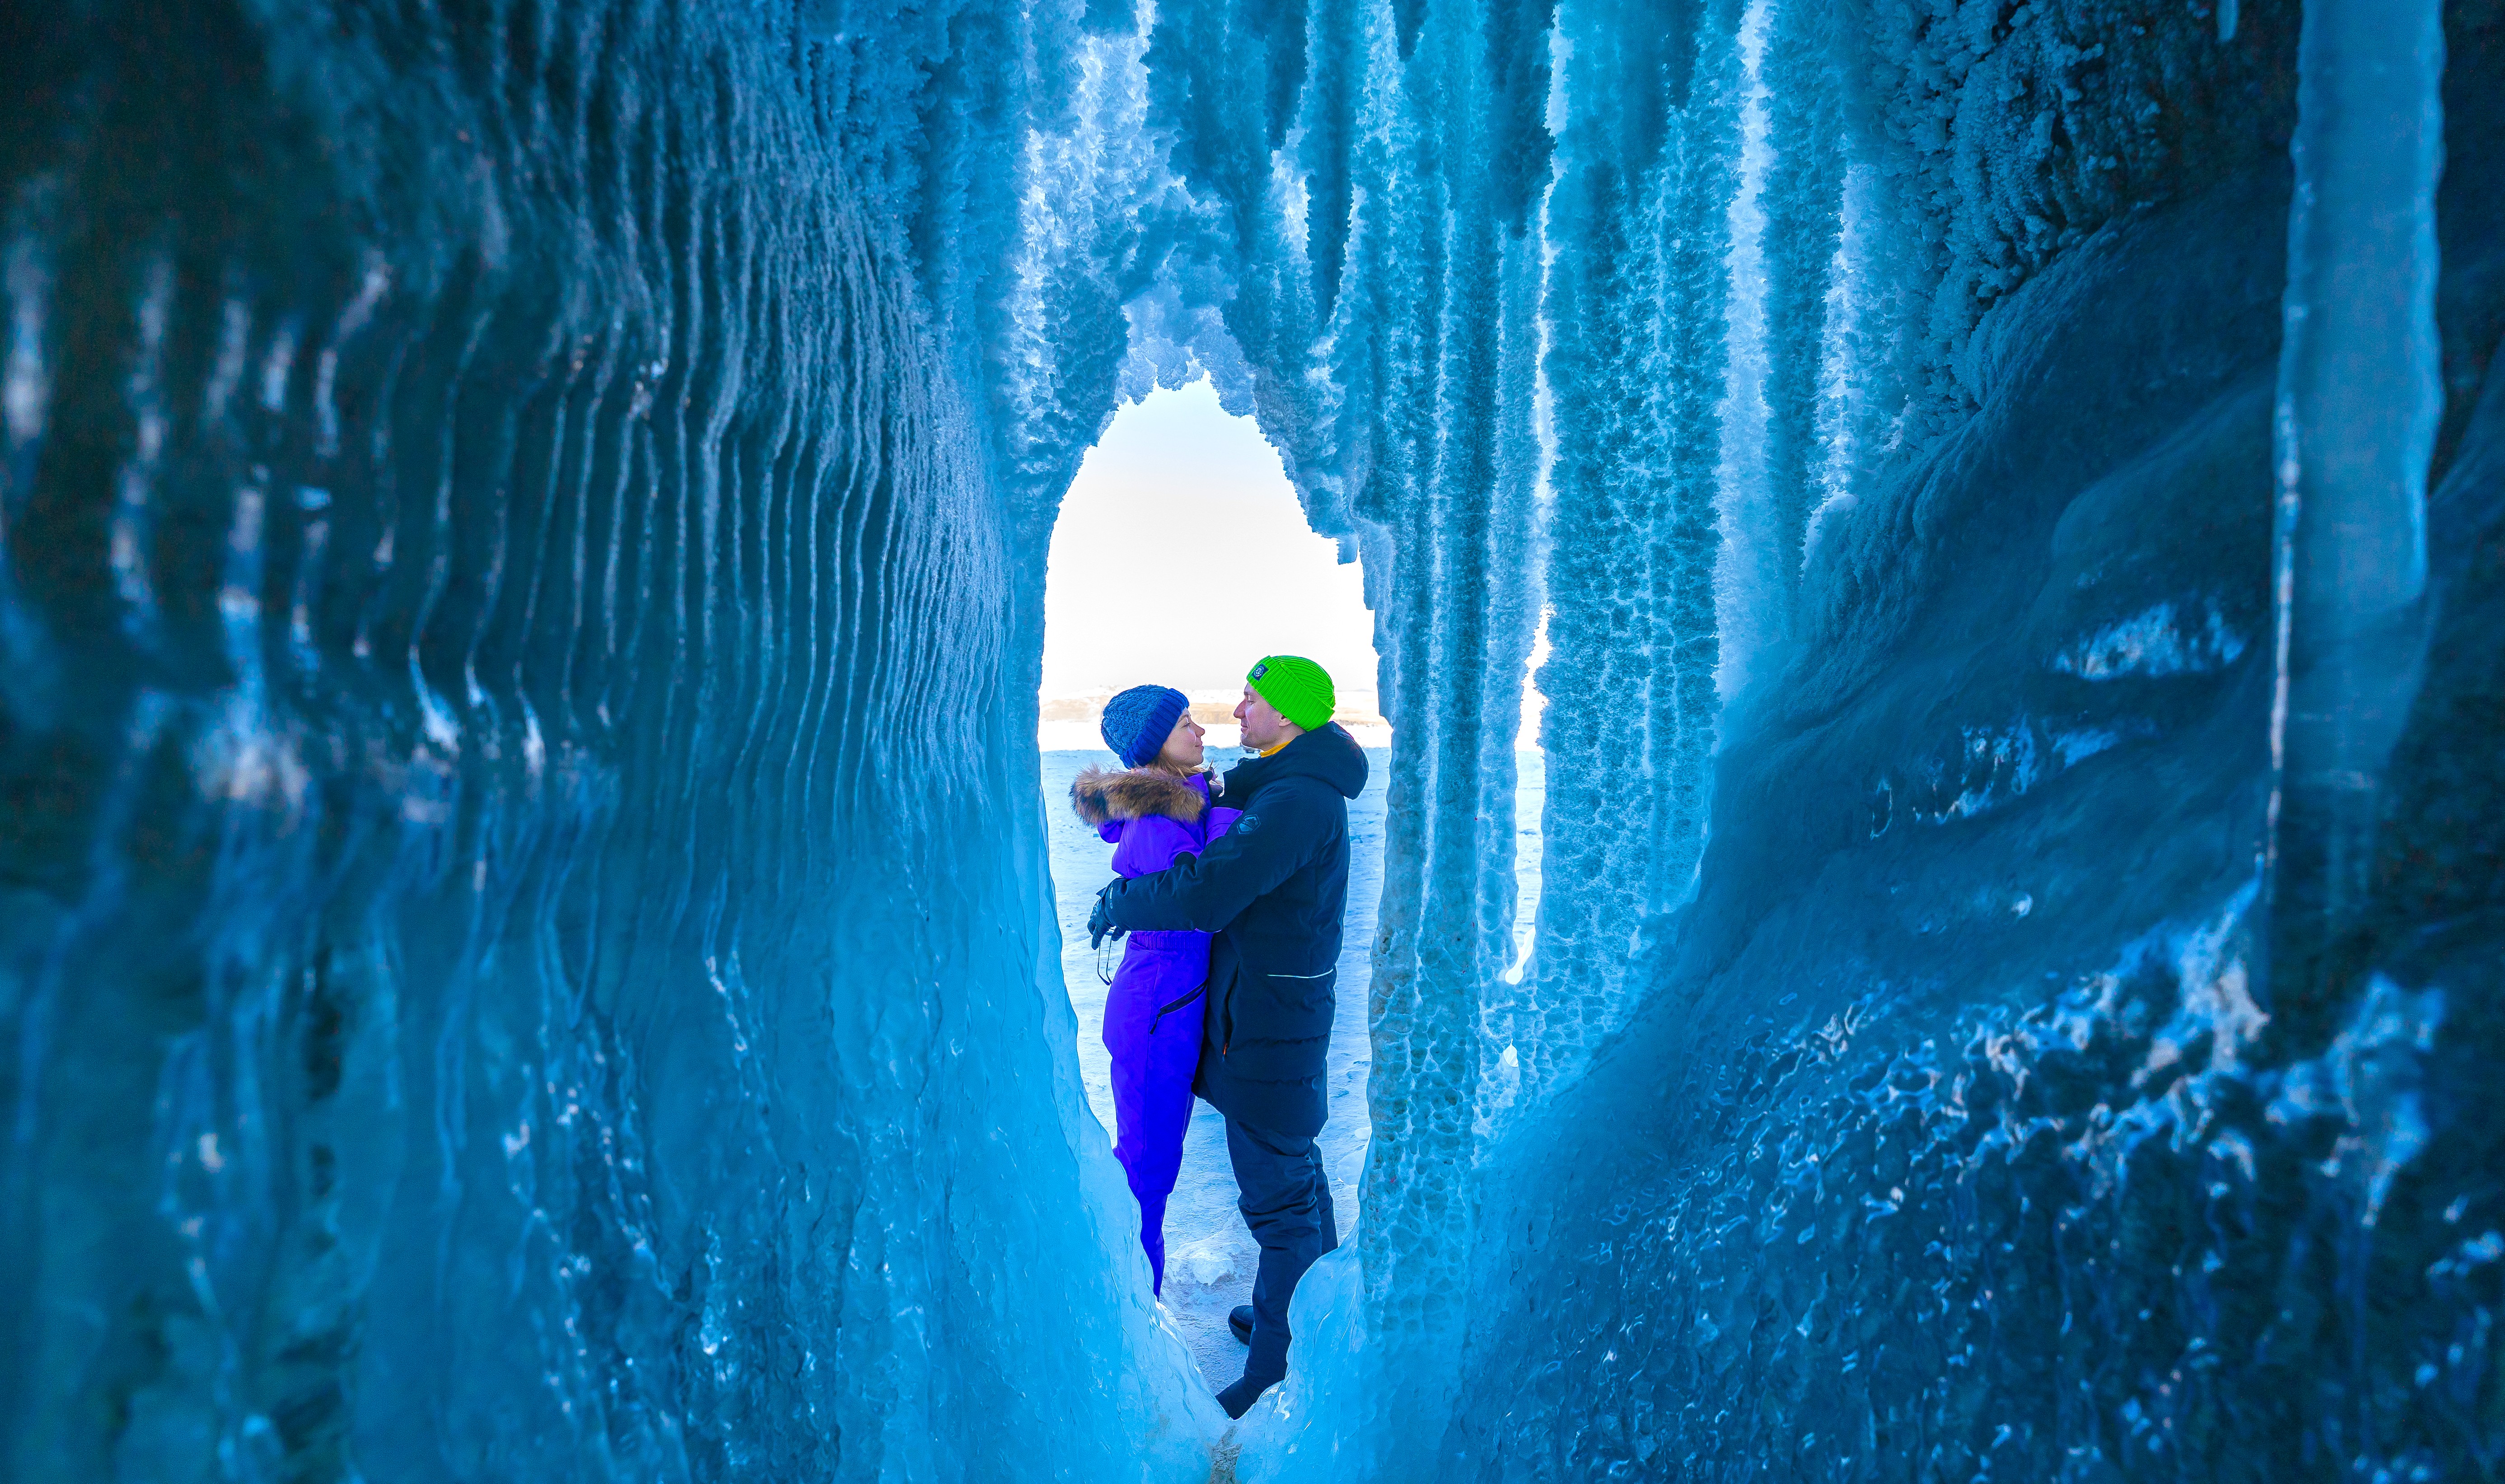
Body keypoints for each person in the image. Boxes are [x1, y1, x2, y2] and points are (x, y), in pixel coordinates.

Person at [1088, 654, 1366, 1419]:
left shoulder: (1299, 800)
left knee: (1282, 1199)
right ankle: (1307, 1319)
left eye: (1250, 699)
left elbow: (1208, 888)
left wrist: (1124, 899)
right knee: (1296, 1175)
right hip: (1258, 1014)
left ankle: (1276, 1366)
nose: (1233, 712)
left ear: (1287, 714)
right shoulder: (1283, 783)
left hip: (1270, 1025)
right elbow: (1216, 798)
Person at [1070, 685, 1240, 1296]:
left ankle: (1128, 1290)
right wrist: (1225, 819)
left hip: (1166, 999)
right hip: (1156, 1007)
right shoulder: (1157, 819)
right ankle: (1129, 1301)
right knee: (1146, 1167)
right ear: (1154, 745)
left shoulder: (1181, 801)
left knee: (1152, 1163)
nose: (1201, 731)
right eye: (1185, 724)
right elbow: (1200, 901)